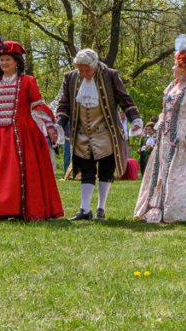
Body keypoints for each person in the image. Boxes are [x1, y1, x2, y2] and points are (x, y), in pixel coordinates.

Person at [0, 41, 63, 221]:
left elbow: (38, 106)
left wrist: (49, 125)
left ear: (17, 61)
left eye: (8, 59)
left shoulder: (27, 81)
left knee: (19, 172)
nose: (4, 63)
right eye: (1, 59)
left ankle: (20, 210)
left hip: (22, 133)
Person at [57, 49, 142, 221]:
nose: (83, 73)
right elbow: (64, 104)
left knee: (106, 169)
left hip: (106, 133)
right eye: (80, 70)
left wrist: (136, 119)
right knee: (86, 169)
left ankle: (101, 209)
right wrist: (58, 124)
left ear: (95, 65)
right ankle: (84, 209)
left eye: (87, 70)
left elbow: (125, 99)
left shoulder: (110, 75)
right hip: (82, 134)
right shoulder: (70, 77)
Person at [134, 35, 186, 223]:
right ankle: (157, 207)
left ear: (184, 68)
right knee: (161, 171)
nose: (172, 68)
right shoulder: (171, 87)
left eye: (175, 64)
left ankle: (179, 211)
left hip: (184, 141)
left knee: (180, 175)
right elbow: (164, 113)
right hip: (165, 138)